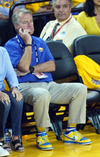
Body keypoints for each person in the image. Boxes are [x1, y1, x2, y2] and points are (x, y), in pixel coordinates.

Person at [5, 8, 92, 151]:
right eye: (25, 23)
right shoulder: (11, 45)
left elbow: (51, 66)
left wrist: (32, 69)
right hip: (25, 87)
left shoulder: (40, 42)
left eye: (31, 21)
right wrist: (27, 43)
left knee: (79, 88)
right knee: (41, 93)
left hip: (48, 83)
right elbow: (22, 66)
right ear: (16, 27)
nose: (30, 25)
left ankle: (71, 131)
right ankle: (42, 134)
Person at [0, 47, 24, 153]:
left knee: (17, 100)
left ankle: (16, 137)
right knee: (5, 103)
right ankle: (1, 139)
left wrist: (14, 88)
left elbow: (10, 73)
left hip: (1, 89)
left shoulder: (2, 51)